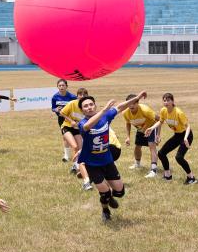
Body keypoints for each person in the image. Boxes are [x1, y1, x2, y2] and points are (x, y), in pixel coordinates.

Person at [78, 91, 147, 222]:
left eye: (91, 104)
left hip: (107, 161)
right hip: (92, 164)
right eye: (86, 106)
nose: (89, 107)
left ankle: (110, 198)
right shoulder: (82, 123)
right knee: (104, 193)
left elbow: (120, 107)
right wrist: (104, 110)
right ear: (82, 110)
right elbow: (87, 126)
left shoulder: (106, 116)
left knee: (120, 192)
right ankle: (105, 210)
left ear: (95, 105)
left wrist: (136, 98)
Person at [145, 93, 197, 185]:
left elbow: (188, 126)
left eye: (168, 100)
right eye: (164, 100)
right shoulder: (163, 111)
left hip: (186, 135)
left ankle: (191, 177)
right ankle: (168, 175)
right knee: (161, 153)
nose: (166, 102)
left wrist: (185, 138)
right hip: (177, 135)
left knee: (179, 157)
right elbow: (160, 122)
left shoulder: (178, 112)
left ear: (173, 101)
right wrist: (151, 128)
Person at [59, 87, 92, 190]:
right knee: (74, 146)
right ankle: (76, 166)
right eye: (80, 94)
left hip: (77, 129)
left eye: (84, 94)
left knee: (80, 148)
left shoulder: (86, 107)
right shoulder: (72, 103)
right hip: (67, 127)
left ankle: (75, 165)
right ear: (77, 95)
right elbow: (61, 112)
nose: (82, 96)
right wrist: (71, 121)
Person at [123, 94, 160, 178]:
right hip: (141, 129)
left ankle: (153, 170)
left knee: (152, 146)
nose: (131, 105)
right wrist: (128, 136)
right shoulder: (125, 113)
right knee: (137, 146)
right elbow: (128, 123)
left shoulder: (145, 110)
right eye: (129, 103)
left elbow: (160, 119)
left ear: (138, 103)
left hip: (151, 127)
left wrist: (158, 134)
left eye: (134, 103)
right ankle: (137, 164)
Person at [51, 79, 77, 162]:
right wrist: (56, 109)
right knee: (65, 137)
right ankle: (66, 156)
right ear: (57, 87)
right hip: (61, 120)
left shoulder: (72, 97)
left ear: (66, 86)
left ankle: (77, 154)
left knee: (76, 137)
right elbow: (53, 108)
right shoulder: (55, 97)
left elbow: (76, 107)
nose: (61, 87)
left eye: (63, 85)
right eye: (60, 85)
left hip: (72, 120)